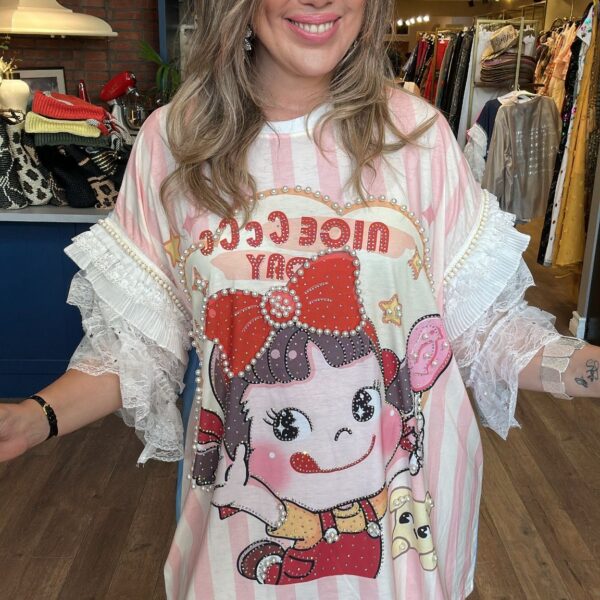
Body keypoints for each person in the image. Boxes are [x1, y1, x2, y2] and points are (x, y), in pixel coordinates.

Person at [1, 0, 599, 598]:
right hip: (238, 543)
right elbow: (138, 349)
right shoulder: (175, 141)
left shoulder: (418, 137)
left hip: (404, 539)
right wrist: (32, 420)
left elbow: (485, 329)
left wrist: (588, 369)